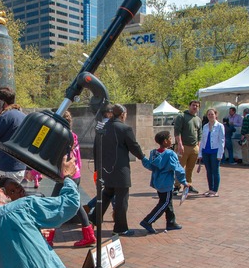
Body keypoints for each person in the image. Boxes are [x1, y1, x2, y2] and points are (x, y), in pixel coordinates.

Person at [89, 104, 145, 237]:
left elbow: (96, 148)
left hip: (105, 169)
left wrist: (98, 169)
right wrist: (143, 158)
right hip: (120, 170)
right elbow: (134, 146)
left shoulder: (102, 127)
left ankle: (93, 219)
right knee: (121, 200)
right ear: (122, 114)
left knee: (107, 194)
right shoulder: (125, 128)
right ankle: (120, 228)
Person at [52, 111, 96, 248]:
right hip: (74, 173)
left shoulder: (61, 137)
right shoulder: (73, 136)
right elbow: (77, 156)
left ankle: (47, 237)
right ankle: (89, 235)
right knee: (76, 204)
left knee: (53, 203)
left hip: (66, 175)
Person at [140, 131, 187, 234]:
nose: (171, 140)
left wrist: (143, 158)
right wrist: (184, 182)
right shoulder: (170, 154)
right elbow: (178, 169)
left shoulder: (153, 153)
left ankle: (171, 222)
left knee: (167, 201)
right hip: (166, 183)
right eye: (170, 139)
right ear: (165, 141)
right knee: (164, 203)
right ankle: (148, 221)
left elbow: (150, 166)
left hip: (157, 182)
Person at [0, 86, 26, 182]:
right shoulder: (21, 115)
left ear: (1, 102)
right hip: (18, 164)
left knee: (7, 195)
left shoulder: (6, 116)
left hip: (8, 165)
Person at [173, 100, 202, 195]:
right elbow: (177, 131)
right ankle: (177, 186)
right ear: (189, 106)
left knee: (190, 168)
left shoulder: (198, 119)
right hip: (183, 146)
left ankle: (188, 185)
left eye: (197, 106)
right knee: (179, 167)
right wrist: (180, 144)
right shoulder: (182, 116)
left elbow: (199, 135)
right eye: (193, 105)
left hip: (194, 147)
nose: (195, 107)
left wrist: (198, 147)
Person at [198, 108, 225, 197]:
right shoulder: (205, 126)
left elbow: (222, 140)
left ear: (215, 115)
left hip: (215, 151)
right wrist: (200, 153)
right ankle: (210, 189)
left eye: (212, 114)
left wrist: (220, 154)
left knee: (215, 171)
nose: (210, 116)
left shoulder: (220, 126)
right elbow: (202, 140)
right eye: (209, 114)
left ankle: (215, 190)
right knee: (208, 171)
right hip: (206, 151)